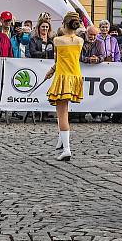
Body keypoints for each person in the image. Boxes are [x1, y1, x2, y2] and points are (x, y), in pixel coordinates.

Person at [44, 12, 84, 161]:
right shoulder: (80, 40)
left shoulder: (57, 40)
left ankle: (67, 148)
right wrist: (50, 71)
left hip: (63, 77)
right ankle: (62, 140)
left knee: (62, 114)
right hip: (75, 76)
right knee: (65, 111)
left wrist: (51, 71)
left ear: (64, 24)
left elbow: (58, 60)